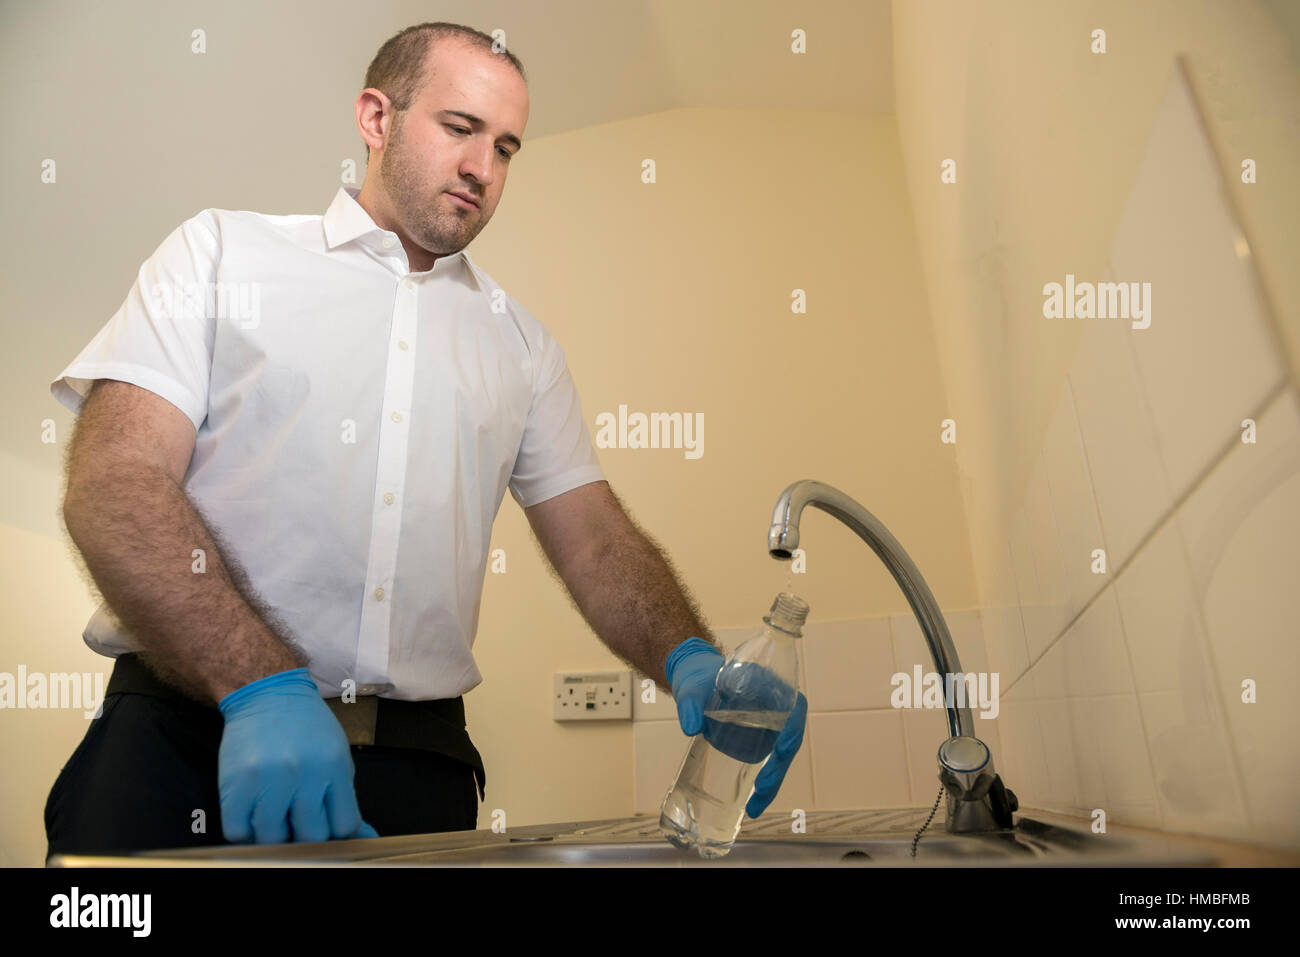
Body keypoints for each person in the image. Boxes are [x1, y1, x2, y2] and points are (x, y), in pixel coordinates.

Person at [44, 21, 807, 859]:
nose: (484, 168)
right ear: (376, 118)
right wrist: (256, 684)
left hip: (418, 776)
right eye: (460, 129)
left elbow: (594, 541)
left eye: (508, 147)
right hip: (185, 743)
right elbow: (116, 481)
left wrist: (689, 653)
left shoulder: (521, 346)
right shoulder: (221, 253)